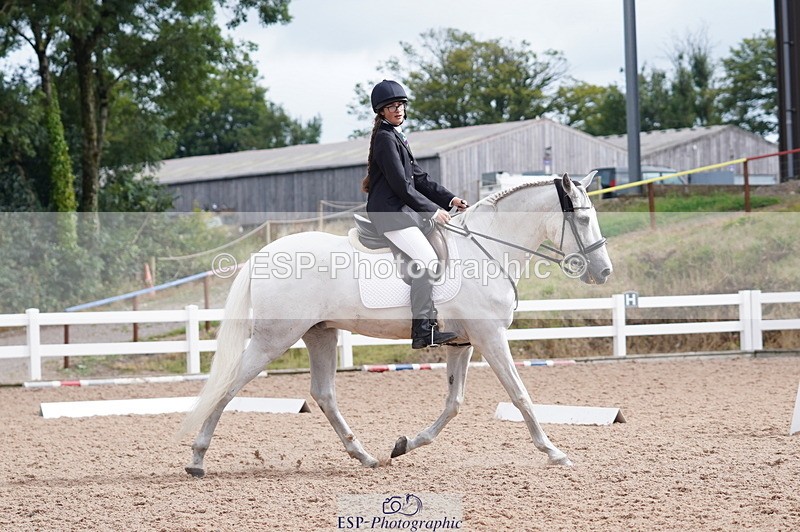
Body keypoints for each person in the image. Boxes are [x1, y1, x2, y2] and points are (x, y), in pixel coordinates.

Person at [361, 79, 469, 349]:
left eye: (400, 105)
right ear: (381, 112)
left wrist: (449, 198)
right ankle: (422, 329)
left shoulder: (396, 136)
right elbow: (401, 185)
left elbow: (418, 177)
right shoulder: (386, 139)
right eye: (391, 107)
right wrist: (432, 211)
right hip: (388, 214)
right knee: (427, 259)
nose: (397, 110)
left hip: (398, 211)